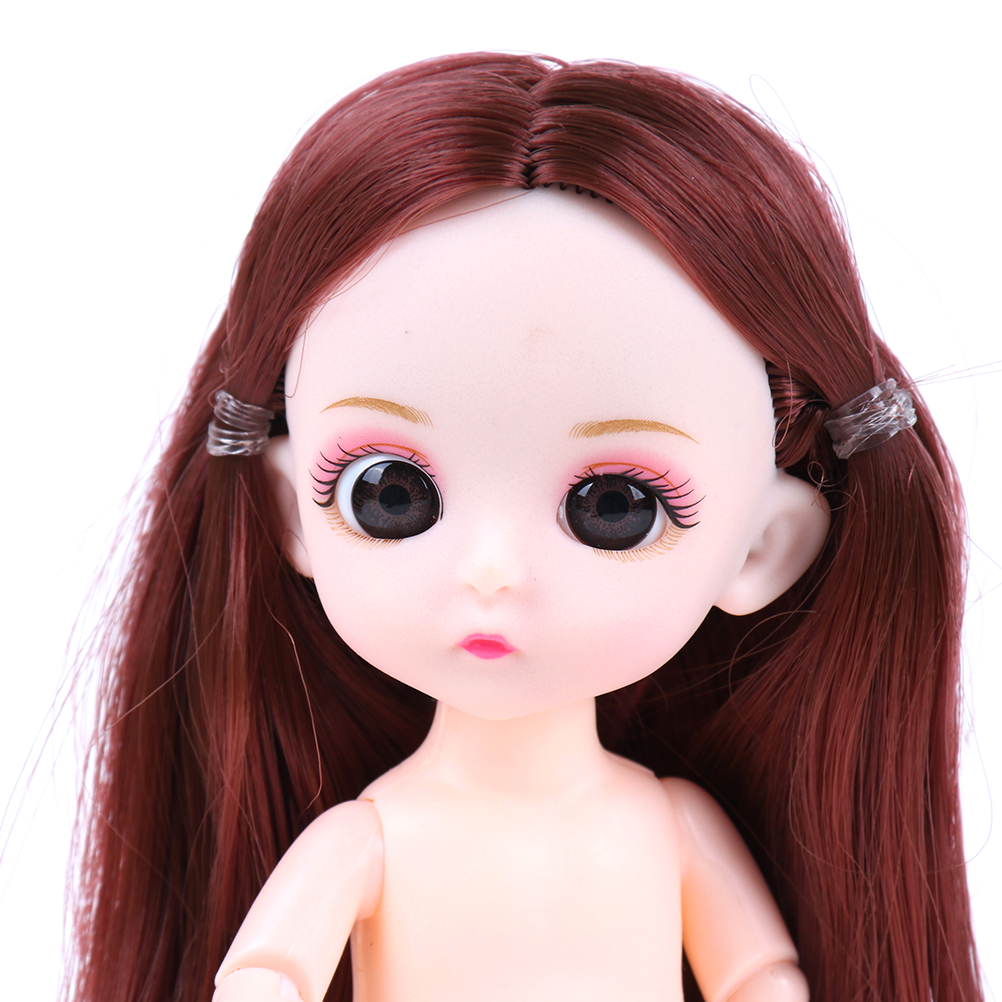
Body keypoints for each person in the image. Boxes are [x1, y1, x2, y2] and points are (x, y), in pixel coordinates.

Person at [72, 54, 981, 1002]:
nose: (493, 569)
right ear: (290, 511)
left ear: (762, 548)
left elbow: (762, 976)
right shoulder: (373, 837)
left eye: (615, 509)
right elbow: (267, 972)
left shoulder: (666, 828)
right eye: (390, 496)